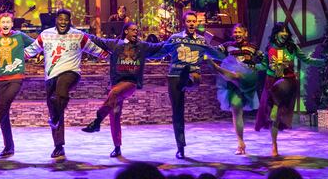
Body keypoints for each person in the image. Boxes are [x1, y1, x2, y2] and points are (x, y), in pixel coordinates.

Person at [24, 8, 108, 159]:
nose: (63, 22)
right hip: (50, 77)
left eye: (66, 20)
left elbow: (94, 49)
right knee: (55, 107)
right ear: (56, 20)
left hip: (71, 72)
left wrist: (111, 57)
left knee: (61, 91)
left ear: (70, 21)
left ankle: (55, 119)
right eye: (60, 19)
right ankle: (58, 146)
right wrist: (15, 57)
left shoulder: (78, 35)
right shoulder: (46, 34)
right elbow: (31, 50)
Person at [254, 22, 328, 156]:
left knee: (280, 86)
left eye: (286, 31)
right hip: (270, 82)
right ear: (276, 33)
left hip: (287, 81)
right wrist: (253, 65)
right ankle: (274, 144)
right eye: (281, 31)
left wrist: (326, 61)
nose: (284, 34)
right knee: (274, 119)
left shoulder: (292, 47)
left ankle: (276, 104)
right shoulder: (270, 48)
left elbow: (307, 60)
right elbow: (264, 66)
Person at [81, 21, 163, 157]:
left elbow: (159, 46)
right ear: (126, 31)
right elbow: (97, 40)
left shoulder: (142, 46)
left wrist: (175, 40)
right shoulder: (115, 44)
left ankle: (97, 121)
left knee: (114, 93)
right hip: (116, 84)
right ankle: (117, 147)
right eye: (133, 30)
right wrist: (78, 33)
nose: (136, 32)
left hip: (130, 83)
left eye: (137, 30)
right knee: (115, 116)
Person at [157, 10, 224, 159]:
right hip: (174, 76)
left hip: (193, 76)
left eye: (194, 21)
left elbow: (216, 53)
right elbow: (160, 51)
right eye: (189, 21)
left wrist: (230, 51)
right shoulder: (175, 39)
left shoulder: (201, 40)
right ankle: (180, 146)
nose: (192, 23)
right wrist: (141, 53)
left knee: (193, 78)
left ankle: (188, 77)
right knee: (177, 112)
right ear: (184, 23)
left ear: (197, 23)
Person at [0, 12, 35, 157]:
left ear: (12, 24)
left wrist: (27, 55)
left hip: (16, 77)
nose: (5, 24)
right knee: (3, 112)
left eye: (8, 22)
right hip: (0, 79)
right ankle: (8, 147)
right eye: (2, 22)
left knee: (4, 105)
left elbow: (36, 45)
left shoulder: (20, 36)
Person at [207, 23, 262, 155]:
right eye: (235, 32)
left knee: (239, 74)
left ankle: (218, 69)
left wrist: (256, 67)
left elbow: (264, 61)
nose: (237, 34)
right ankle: (240, 143)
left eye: (239, 32)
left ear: (245, 33)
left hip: (247, 80)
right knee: (236, 110)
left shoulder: (253, 48)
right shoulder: (227, 46)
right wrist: (205, 43)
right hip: (233, 84)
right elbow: (213, 51)